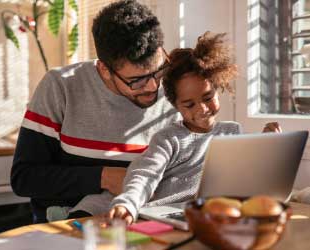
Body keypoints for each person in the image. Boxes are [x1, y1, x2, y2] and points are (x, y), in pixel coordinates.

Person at [10, 0, 179, 223]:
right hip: (70, 227)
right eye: (136, 80)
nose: (152, 87)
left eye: (158, 71)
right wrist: (105, 177)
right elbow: (25, 178)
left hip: (147, 223)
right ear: (104, 70)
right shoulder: (61, 87)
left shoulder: (174, 89)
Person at [108, 32, 282, 224]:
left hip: (217, 213)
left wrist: (269, 146)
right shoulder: (168, 139)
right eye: (189, 104)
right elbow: (144, 174)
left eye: (208, 98)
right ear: (176, 105)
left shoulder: (232, 132)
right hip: (168, 216)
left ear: (218, 87)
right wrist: (127, 204)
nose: (202, 109)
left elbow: (252, 177)